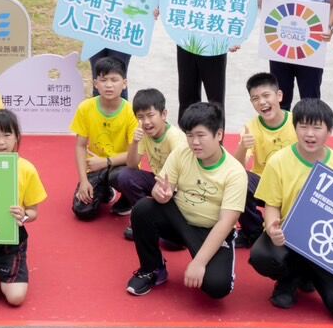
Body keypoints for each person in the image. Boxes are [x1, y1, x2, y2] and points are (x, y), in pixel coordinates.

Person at [249, 98, 333, 322]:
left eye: (317, 127)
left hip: (325, 246)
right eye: (303, 126)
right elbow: (271, 205)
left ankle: (307, 274)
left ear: (329, 130)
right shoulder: (279, 161)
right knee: (262, 255)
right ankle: (289, 278)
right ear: (295, 128)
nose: (310, 134)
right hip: (289, 240)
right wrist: (272, 229)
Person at [124, 101, 247, 300]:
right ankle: (152, 269)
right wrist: (160, 194)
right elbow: (161, 188)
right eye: (190, 135)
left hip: (211, 230)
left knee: (217, 287)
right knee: (143, 208)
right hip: (179, 219)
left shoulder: (235, 173)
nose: (194, 142)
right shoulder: (182, 153)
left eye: (201, 135)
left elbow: (226, 222)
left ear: (219, 135)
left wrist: (198, 263)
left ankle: (209, 260)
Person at [0, 110, 47, 307]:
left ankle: (11, 266)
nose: (0, 142)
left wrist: (23, 216)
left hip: (11, 241)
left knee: (15, 298)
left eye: (7, 135)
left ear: (16, 138)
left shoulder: (26, 169)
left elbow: (33, 213)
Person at [70, 56, 137, 221]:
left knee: (120, 177)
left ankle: (128, 199)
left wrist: (106, 161)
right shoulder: (85, 108)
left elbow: (135, 154)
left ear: (124, 83)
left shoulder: (131, 112)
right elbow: (80, 146)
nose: (108, 85)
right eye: (103, 79)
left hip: (122, 166)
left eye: (114, 80)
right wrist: (84, 181)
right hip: (95, 166)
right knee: (83, 211)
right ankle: (105, 191)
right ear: (95, 84)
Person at [233, 71, 296, 245]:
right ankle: (253, 232)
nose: (261, 102)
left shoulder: (297, 122)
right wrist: (242, 147)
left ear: (279, 96)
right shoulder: (250, 127)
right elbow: (237, 167)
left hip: (293, 186)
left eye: (266, 95)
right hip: (264, 185)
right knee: (237, 178)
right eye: (255, 98)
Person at [116, 88, 188, 229]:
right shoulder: (143, 133)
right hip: (159, 182)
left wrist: (161, 188)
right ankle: (142, 216)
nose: (146, 122)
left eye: (150, 115)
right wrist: (135, 142)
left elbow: (182, 171)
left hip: (179, 188)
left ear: (164, 114)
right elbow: (131, 164)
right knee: (125, 176)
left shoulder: (174, 137)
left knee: (171, 243)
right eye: (140, 117)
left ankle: (160, 217)